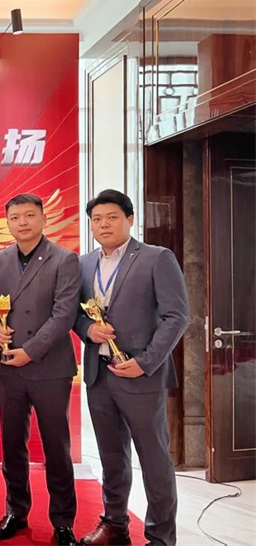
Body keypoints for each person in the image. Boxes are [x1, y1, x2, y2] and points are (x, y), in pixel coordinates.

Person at [74, 189, 189, 546]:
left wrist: (146, 362)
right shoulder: (84, 264)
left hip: (141, 376)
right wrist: (87, 329)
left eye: (112, 217)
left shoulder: (156, 258)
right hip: (99, 374)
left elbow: (176, 316)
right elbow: (75, 313)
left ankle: (160, 537)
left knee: (153, 459)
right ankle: (115, 526)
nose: (104, 224)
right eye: (97, 219)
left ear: (129, 219)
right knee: (111, 456)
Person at [0, 194, 80, 545]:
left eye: (29, 215)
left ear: (43, 219)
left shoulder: (64, 259)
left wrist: (31, 351)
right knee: (12, 444)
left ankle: (63, 521)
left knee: (56, 447)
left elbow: (64, 314)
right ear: (7, 222)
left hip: (50, 367)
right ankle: (16, 510)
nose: (22, 222)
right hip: (9, 367)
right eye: (15, 217)